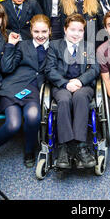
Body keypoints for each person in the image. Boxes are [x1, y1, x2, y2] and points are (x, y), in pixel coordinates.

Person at [0, 15, 50, 168]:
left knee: (33, 115)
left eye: (44, 32)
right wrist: (10, 45)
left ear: (50, 31)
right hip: (13, 87)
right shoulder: (23, 46)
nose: (40, 35)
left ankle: (29, 151)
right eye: (36, 32)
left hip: (35, 89)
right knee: (13, 124)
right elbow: (7, 68)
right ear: (30, 31)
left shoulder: (55, 47)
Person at [45, 13, 100, 169]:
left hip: (83, 86)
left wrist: (80, 81)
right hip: (62, 86)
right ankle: (64, 147)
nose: (76, 34)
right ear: (65, 30)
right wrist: (65, 83)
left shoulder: (88, 47)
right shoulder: (55, 46)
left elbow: (95, 68)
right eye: (72, 30)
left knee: (81, 97)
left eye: (80, 30)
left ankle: (81, 146)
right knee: (64, 99)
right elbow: (49, 70)